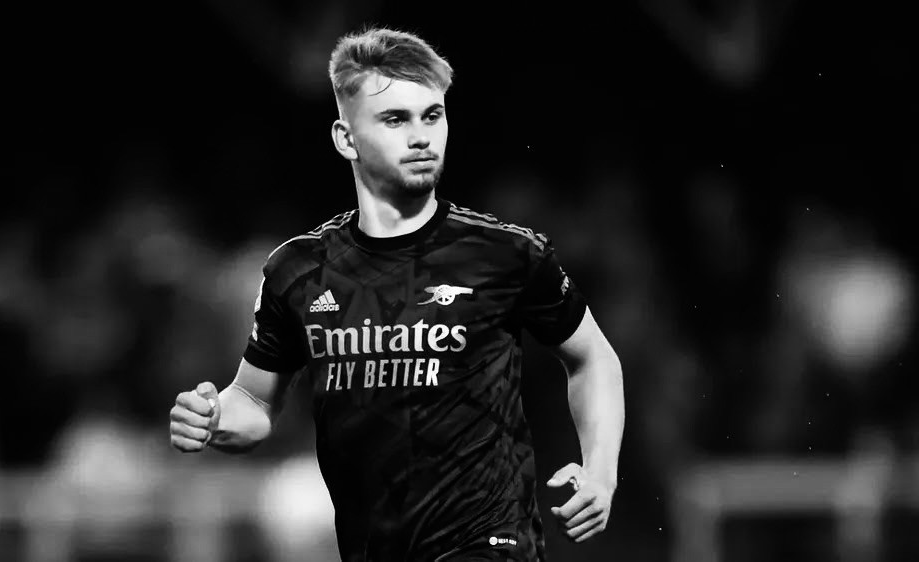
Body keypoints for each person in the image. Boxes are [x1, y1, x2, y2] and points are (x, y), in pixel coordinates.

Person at [169, 26, 625, 562]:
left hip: (490, 544)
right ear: (345, 138)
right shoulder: (299, 271)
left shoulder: (506, 254)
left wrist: (601, 472)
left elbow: (593, 358)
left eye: (432, 116)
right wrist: (213, 417)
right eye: (395, 119)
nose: (421, 136)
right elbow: (253, 401)